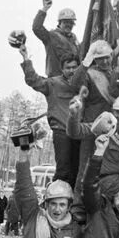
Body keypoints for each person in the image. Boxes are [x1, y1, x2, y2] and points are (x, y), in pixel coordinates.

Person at [19, 44, 80, 187]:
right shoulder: (53, 83)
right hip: (62, 131)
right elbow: (33, 80)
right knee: (63, 168)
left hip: (80, 132)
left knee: (78, 170)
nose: (71, 70)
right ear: (62, 69)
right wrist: (26, 58)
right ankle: (56, 195)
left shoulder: (84, 84)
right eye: (68, 68)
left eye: (74, 67)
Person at [32, 0, 80, 77]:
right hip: (56, 81)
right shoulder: (51, 36)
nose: (69, 25)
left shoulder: (74, 39)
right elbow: (36, 28)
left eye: (71, 23)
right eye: (66, 22)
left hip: (72, 81)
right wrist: (45, 8)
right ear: (60, 23)